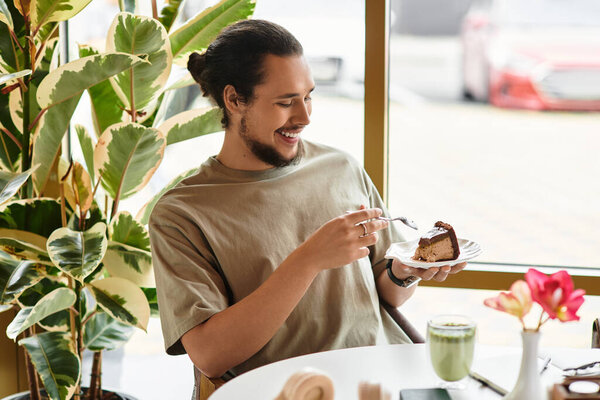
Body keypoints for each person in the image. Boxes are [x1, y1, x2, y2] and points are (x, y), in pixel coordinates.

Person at [148, 19, 465, 382]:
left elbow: (383, 292)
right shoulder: (183, 212)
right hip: (281, 391)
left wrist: (403, 273)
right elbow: (210, 355)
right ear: (234, 100)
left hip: (380, 379)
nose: (305, 117)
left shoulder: (341, 167)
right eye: (286, 102)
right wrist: (308, 260)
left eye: (308, 96)